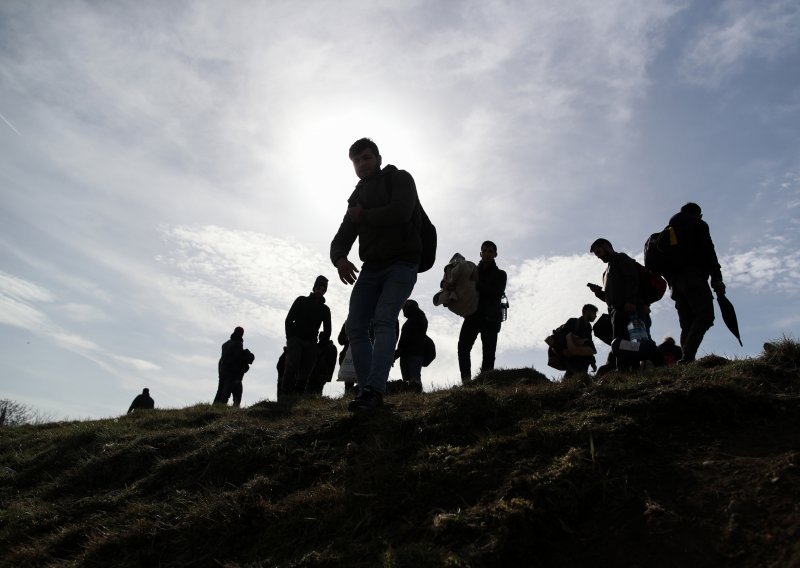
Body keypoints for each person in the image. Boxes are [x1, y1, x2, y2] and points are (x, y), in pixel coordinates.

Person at [330, 137, 421, 410]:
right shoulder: (356, 198)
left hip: (402, 263)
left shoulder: (400, 178)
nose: (362, 164)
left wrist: (364, 216)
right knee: (355, 327)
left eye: (366, 158)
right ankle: (366, 391)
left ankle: (374, 390)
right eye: (356, 161)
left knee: (384, 320)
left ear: (378, 158)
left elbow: (401, 212)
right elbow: (340, 239)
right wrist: (340, 260)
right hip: (370, 268)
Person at [665, 202, 726, 363]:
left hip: (675, 284)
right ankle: (687, 357)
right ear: (698, 214)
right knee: (705, 316)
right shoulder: (698, 224)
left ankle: (686, 361)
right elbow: (708, 250)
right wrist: (717, 278)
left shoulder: (668, 231)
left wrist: (671, 281)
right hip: (693, 277)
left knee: (687, 323)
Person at [588, 238, 649, 372]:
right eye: (597, 255)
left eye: (599, 252)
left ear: (606, 246)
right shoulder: (606, 272)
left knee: (633, 341)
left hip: (629, 309)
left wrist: (631, 301)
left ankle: (628, 369)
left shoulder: (621, 258)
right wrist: (599, 293)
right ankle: (628, 369)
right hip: (617, 312)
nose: (599, 257)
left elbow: (632, 279)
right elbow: (611, 298)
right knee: (622, 343)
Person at [457, 240, 507, 383]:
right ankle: (466, 382)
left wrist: (477, 283)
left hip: (491, 318)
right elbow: (459, 282)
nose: (486, 253)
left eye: (490, 251)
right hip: (472, 315)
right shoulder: (472, 270)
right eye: (484, 250)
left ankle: (486, 384)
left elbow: (496, 293)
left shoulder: (500, 274)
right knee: (462, 348)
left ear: (495, 254)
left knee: (489, 354)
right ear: (480, 253)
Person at [282, 275, 332, 397]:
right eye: (319, 288)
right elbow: (289, 320)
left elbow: (328, 330)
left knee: (305, 372)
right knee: (292, 365)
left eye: (323, 289)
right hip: (296, 340)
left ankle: (297, 397)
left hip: (312, 343)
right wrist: (290, 339)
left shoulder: (325, 309)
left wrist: (320, 346)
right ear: (314, 288)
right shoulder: (301, 301)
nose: (320, 291)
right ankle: (285, 395)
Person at [394, 299, 428, 393]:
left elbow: (409, 339)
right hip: (405, 354)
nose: (403, 310)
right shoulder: (411, 320)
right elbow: (405, 340)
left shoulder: (418, 317)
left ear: (410, 306)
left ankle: (417, 399)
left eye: (405, 307)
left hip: (414, 354)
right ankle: (411, 398)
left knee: (414, 381)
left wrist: (397, 354)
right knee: (408, 383)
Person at [558, 304, 599, 376]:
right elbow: (562, 334)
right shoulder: (573, 321)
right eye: (594, 313)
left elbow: (588, 346)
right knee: (576, 375)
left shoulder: (589, 328)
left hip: (583, 360)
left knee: (579, 378)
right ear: (586, 311)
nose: (595, 316)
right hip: (571, 357)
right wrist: (563, 349)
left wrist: (593, 363)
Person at [214, 326, 247, 404]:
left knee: (220, 391)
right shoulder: (238, 343)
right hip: (231, 373)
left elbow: (221, 359)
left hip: (222, 371)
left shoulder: (225, 344)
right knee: (227, 393)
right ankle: (223, 408)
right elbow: (237, 358)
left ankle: (215, 407)